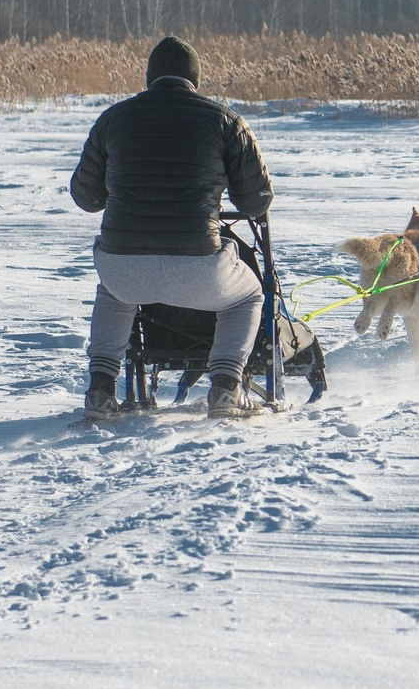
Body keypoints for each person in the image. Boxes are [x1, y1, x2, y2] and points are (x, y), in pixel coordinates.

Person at [69, 35, 273, 419]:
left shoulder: (112, 118)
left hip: (123, 264)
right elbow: (255, 201)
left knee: (113, 292)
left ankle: (100, 389)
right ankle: (227, 385)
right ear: (194, 79)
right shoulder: (227, 121)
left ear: (150, 78)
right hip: (199, 262)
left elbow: (85, 197)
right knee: (249, 297)